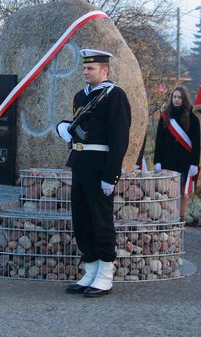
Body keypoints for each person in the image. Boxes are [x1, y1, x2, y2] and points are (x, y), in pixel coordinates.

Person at [56, 49, 131, 298]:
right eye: (84, 68)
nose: (85, 72)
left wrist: (111, 175)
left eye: (91, 68)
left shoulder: (115, 96)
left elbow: (119, 140)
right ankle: (90, 269)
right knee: (82, 220)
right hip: (79, 163)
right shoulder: (81, 96)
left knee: (100, 220)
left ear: (105, 70)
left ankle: (105, 274)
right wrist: (65, 129)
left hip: (100, 166)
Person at [153, 86, 201, 223]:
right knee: (167, 191)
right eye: (174, 97)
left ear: (184, 99)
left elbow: (196, 143)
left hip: (184, 161)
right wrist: (157, 160)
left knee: (182, 191)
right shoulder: (165, 115)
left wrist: (194, 163)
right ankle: (169, 217)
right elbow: (159, 141)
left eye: (179, 97)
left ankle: (181, 217)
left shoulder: (192, 117)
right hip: (167, 161)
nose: (176, 100)